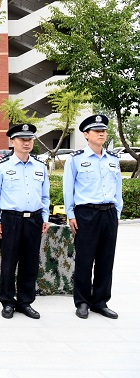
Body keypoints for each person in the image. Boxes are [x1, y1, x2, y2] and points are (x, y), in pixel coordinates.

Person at [0, 124, 50, 319]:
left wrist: (45, 217)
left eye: (29, 139)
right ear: (12, 141)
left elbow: (45, 196)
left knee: (30, 263)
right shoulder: (1, 166)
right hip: (11, 219)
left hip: (34, 219)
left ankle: (25, 302)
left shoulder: (40, 166)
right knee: (9, 262)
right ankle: (7, 302)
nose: (26, 143)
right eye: (22, 139)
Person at [63, 114, 123, 320]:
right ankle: (82, 302)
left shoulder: (113, 159)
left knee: (106, 260)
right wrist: (70, 214)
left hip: (109, 213)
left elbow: (118, 188)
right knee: (85, 259)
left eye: (103, 131)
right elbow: (68, 189)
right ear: (86, 134)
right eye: (97, 131)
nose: (101, 134)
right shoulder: (76, 159)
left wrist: (117, 212)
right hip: (86, 214)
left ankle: (100, 301)